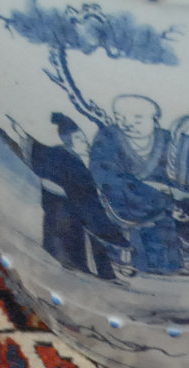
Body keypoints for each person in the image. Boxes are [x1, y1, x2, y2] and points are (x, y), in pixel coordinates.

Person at [87, 94, 189, 276]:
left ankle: (167, 266)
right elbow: (104, 173)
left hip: (159, 201)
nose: (128, 124)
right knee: (138, 216)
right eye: (120, 118)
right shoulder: (108, 137)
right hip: (120, 197)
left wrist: (178, 172)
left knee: (163, 222)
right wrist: (151, 192)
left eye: (137, 119)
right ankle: (124, 261)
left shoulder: (168, 140)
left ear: (155, 119)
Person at [15, 112, 127, 280]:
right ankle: (85, 269)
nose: (86, 142)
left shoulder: (75, 159)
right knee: (73, 234)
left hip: (71, 206)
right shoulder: (64, 157)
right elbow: (37, 153)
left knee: (80, 232)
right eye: (80, 139)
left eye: (84, 138)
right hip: (64, 207)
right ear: (69, 141)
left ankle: (98, 270)